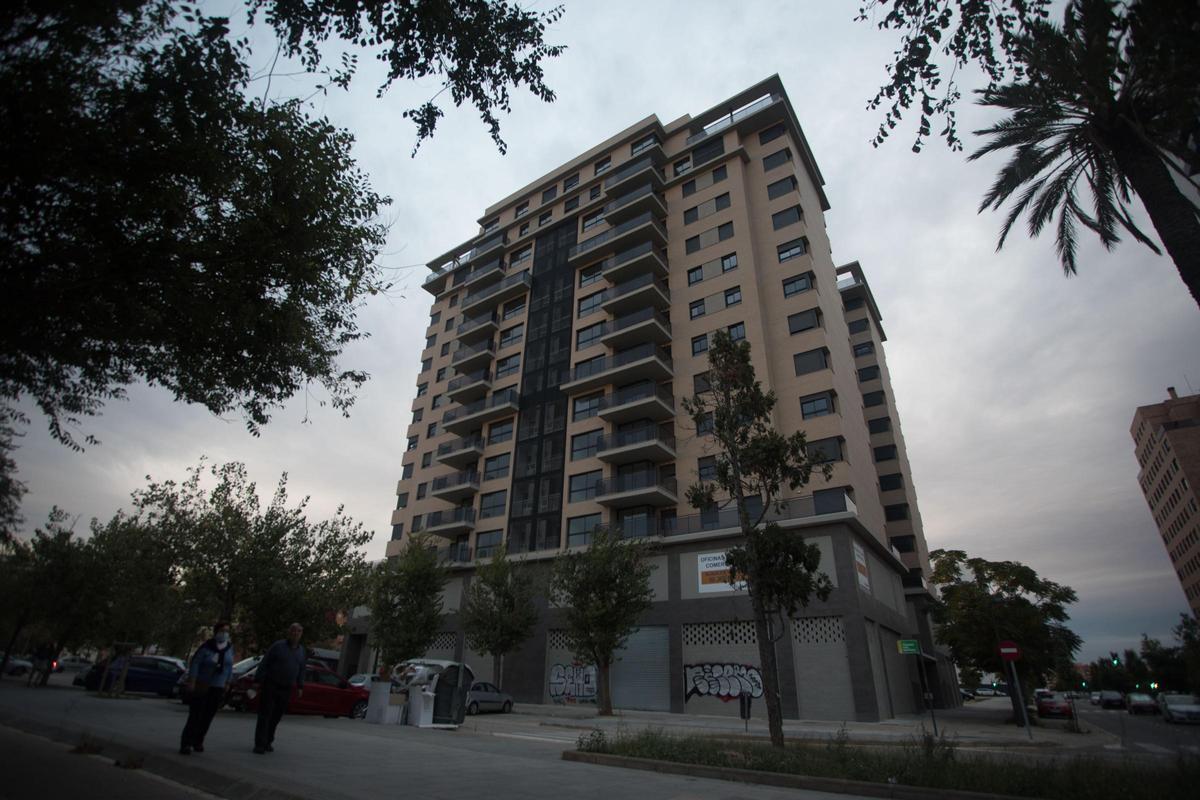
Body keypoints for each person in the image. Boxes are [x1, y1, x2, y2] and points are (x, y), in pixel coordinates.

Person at [179, 621, 234, 755]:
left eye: (227, 631)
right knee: (196, 714)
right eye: (222, 631)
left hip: (218, 686)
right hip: (203, 684)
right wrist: (192, 680)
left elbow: (229, 667)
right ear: (216, 632)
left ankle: (198, 740)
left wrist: (228, 682)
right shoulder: (207, 647)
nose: (224, 634)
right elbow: (196, 663)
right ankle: (186, 743)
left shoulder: (229, 648)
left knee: (208, 716)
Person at [252, 623, 305, 754]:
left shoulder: (301, 651)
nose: (295, 633)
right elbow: (265, 662)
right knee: (265, 714)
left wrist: (300, 685)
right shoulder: (278, 646)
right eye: (293, 631)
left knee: (277, 715)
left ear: (301, 634)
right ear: (289, 632)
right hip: (271, 684)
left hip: (287, 687)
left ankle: (268, 741)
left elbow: (301, 669)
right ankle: (260, 744)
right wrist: (257, 680)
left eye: (298, 631)